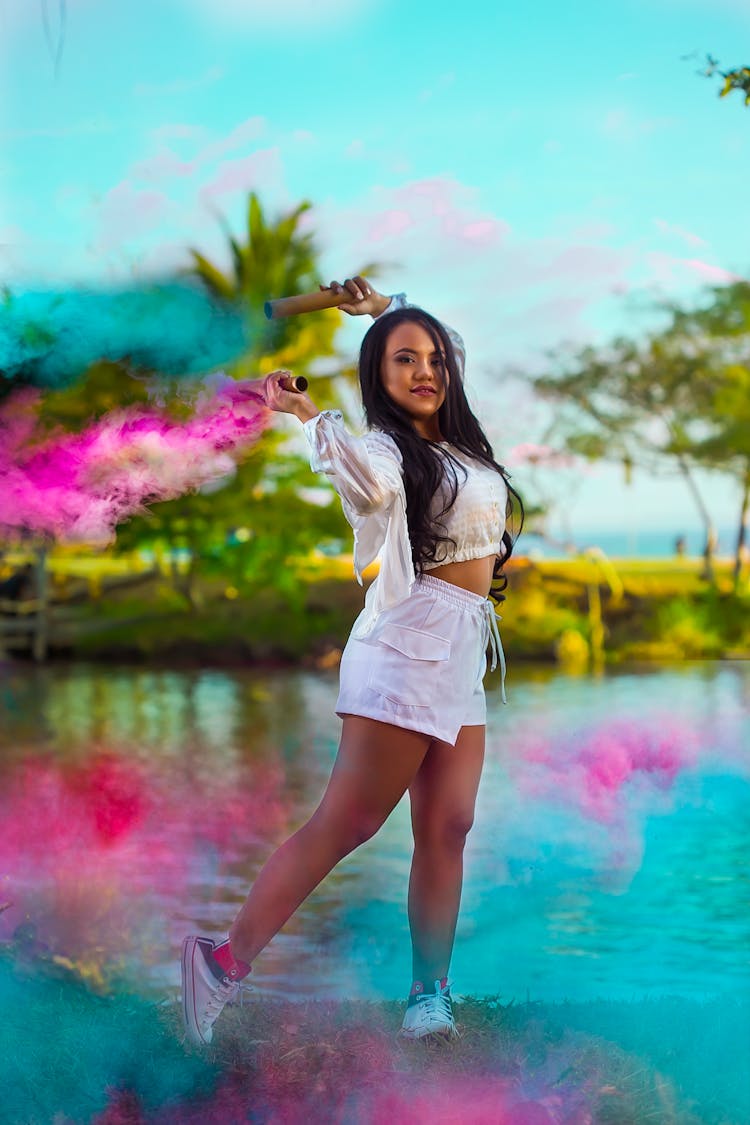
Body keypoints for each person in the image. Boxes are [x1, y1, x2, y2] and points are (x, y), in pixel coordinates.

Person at [181, 277, 523, 1045]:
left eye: (432, 359)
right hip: (405, 647)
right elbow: (362, 483)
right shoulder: (381, 448)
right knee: (350, 821)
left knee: (451, 824)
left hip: (462, 647)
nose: (425, 370)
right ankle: (220, 965)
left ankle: (428, 994)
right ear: (378, 376)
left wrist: (383, 310)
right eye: (404, 360)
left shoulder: (455, 440)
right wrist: (307, 413)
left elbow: (439, 344)